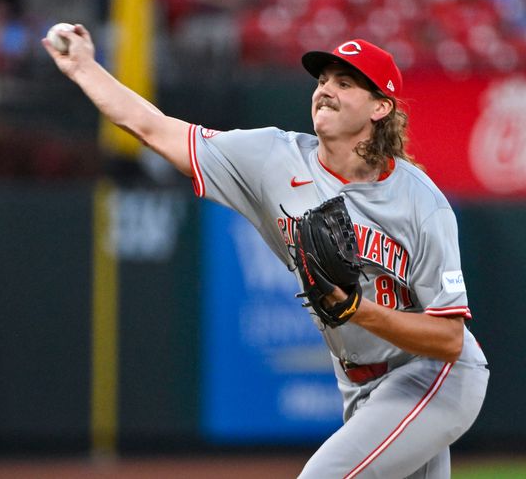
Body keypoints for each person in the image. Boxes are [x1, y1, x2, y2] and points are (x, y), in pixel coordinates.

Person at [43, 26, 489, 479]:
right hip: (360, 383)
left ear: (381, 107)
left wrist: (359, 310)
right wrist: (83, 67)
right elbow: (153, 128)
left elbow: (450, 340)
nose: (325, 91)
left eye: (345, 83)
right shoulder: (273, 158)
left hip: (434, 376)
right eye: (322, 81)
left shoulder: (421, 202)